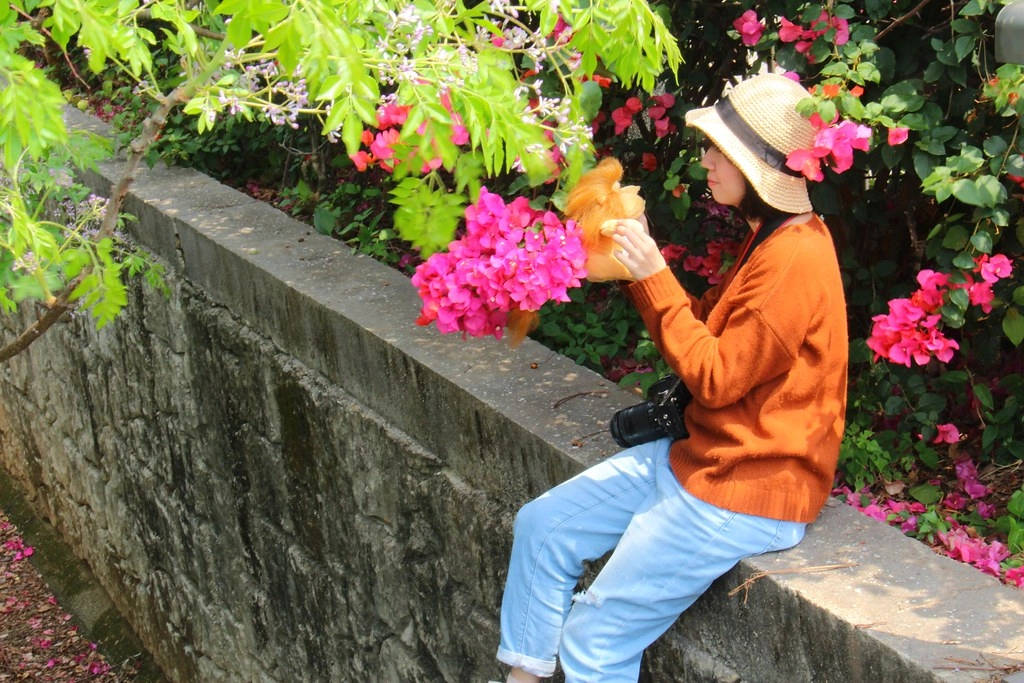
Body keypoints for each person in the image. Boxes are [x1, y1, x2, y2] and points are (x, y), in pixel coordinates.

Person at [494, 72, 849, 682]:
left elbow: (714, 376)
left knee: (595, 640)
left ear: (758, 161)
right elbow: (711, 352)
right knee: (543, 529)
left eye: (718, 149)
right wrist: (637, 272)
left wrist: (653, 275)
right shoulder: (773, 235)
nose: (705, 159)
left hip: (745, 487)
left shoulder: (796, 257)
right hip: (701, 456)